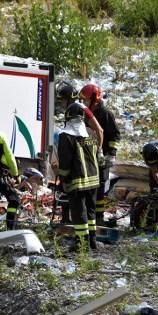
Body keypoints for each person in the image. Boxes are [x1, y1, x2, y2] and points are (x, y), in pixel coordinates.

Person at [56, 102, 100, 250]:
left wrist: (62, 179)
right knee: (91, 211)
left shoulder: (65, 136)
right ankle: (92, 241)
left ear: (67, 118)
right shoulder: (91, 133)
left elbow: (65, 162)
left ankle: (81, 244)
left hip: (77, 182)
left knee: (79, 212)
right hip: (93, 180)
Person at [79, 83, 120, 225]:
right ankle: (89, 216)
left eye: (86, 100)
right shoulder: (86, 114)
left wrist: (111, 155)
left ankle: (99, 218)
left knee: (100, 188)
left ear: (95, 99)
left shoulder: (106, 114)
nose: (83, 103)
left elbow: (115, 136)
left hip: (102, 158)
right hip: (89, 156)